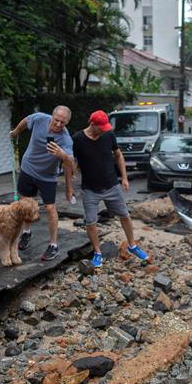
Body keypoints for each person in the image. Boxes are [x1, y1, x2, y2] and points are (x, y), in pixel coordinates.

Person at [71, 110, 148, 268]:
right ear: (92, 125)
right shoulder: (77, 139)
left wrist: (124, 177)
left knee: (125, 215)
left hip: (112, 185)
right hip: (90, 189)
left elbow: (119, 155)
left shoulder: (108, 135)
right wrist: (70, 177)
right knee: (91, 222)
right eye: (102, 127)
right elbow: (73, 160)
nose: (105, 130)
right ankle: (97, 252)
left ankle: (132, 246)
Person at [9, 105, 75, 261]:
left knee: (50, 208)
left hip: (47, 176)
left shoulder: (65, 139)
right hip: (28, 168)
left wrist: (62, 155)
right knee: (25, 202)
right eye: (57, 120)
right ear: (52, 116)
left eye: (63, 123)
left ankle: (53, 245)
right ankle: (26, 232)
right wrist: (16, 132)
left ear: (66, 123)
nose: (59, 125)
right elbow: (26, 121)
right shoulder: (39, 119)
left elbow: (71, 161)